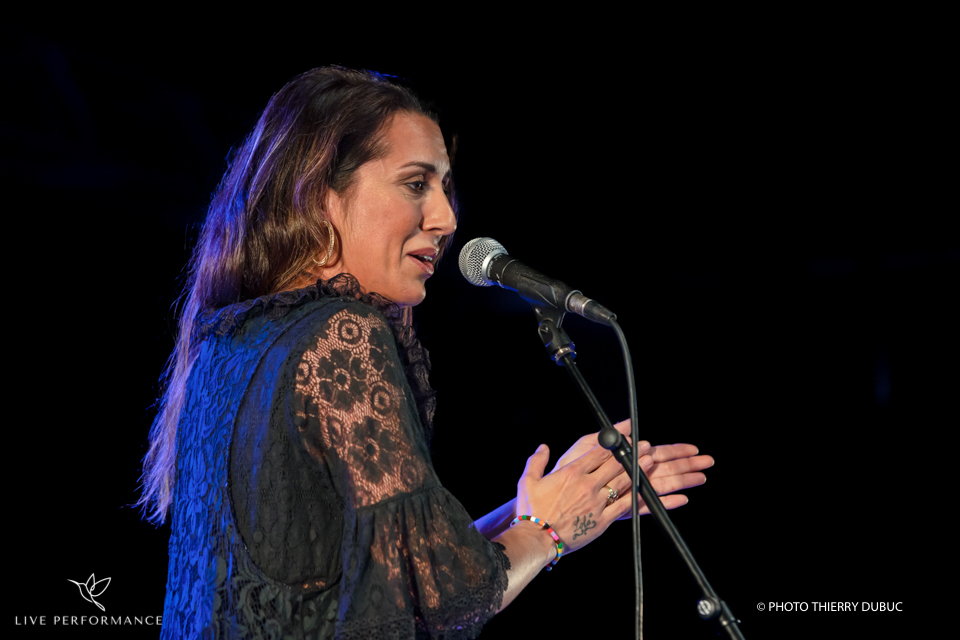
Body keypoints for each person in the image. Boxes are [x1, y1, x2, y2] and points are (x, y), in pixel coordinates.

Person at [139, 66, 714, 639]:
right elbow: (450, 600)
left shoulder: (224, 346)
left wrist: (538, 509)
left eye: (444, 188)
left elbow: (389, 586)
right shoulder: (342, 335)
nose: (447, 219)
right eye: (416, 184)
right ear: (320, 195)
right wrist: (550, 529)